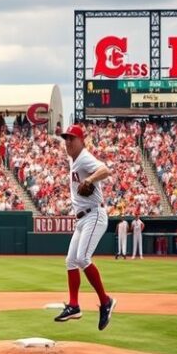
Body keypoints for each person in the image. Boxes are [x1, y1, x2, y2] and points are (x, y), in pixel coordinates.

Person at [53, 125, 116, 331]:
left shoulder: (84, 157)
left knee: (82, 259)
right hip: (82, 219)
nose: (68, 142)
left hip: (94, 215)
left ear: (81, 141)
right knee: (71, 260)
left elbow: (106, 170)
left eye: (72, 139)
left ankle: (106, 301)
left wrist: (89, 179)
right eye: (66, 139)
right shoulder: (74, 160)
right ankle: (74, 305)